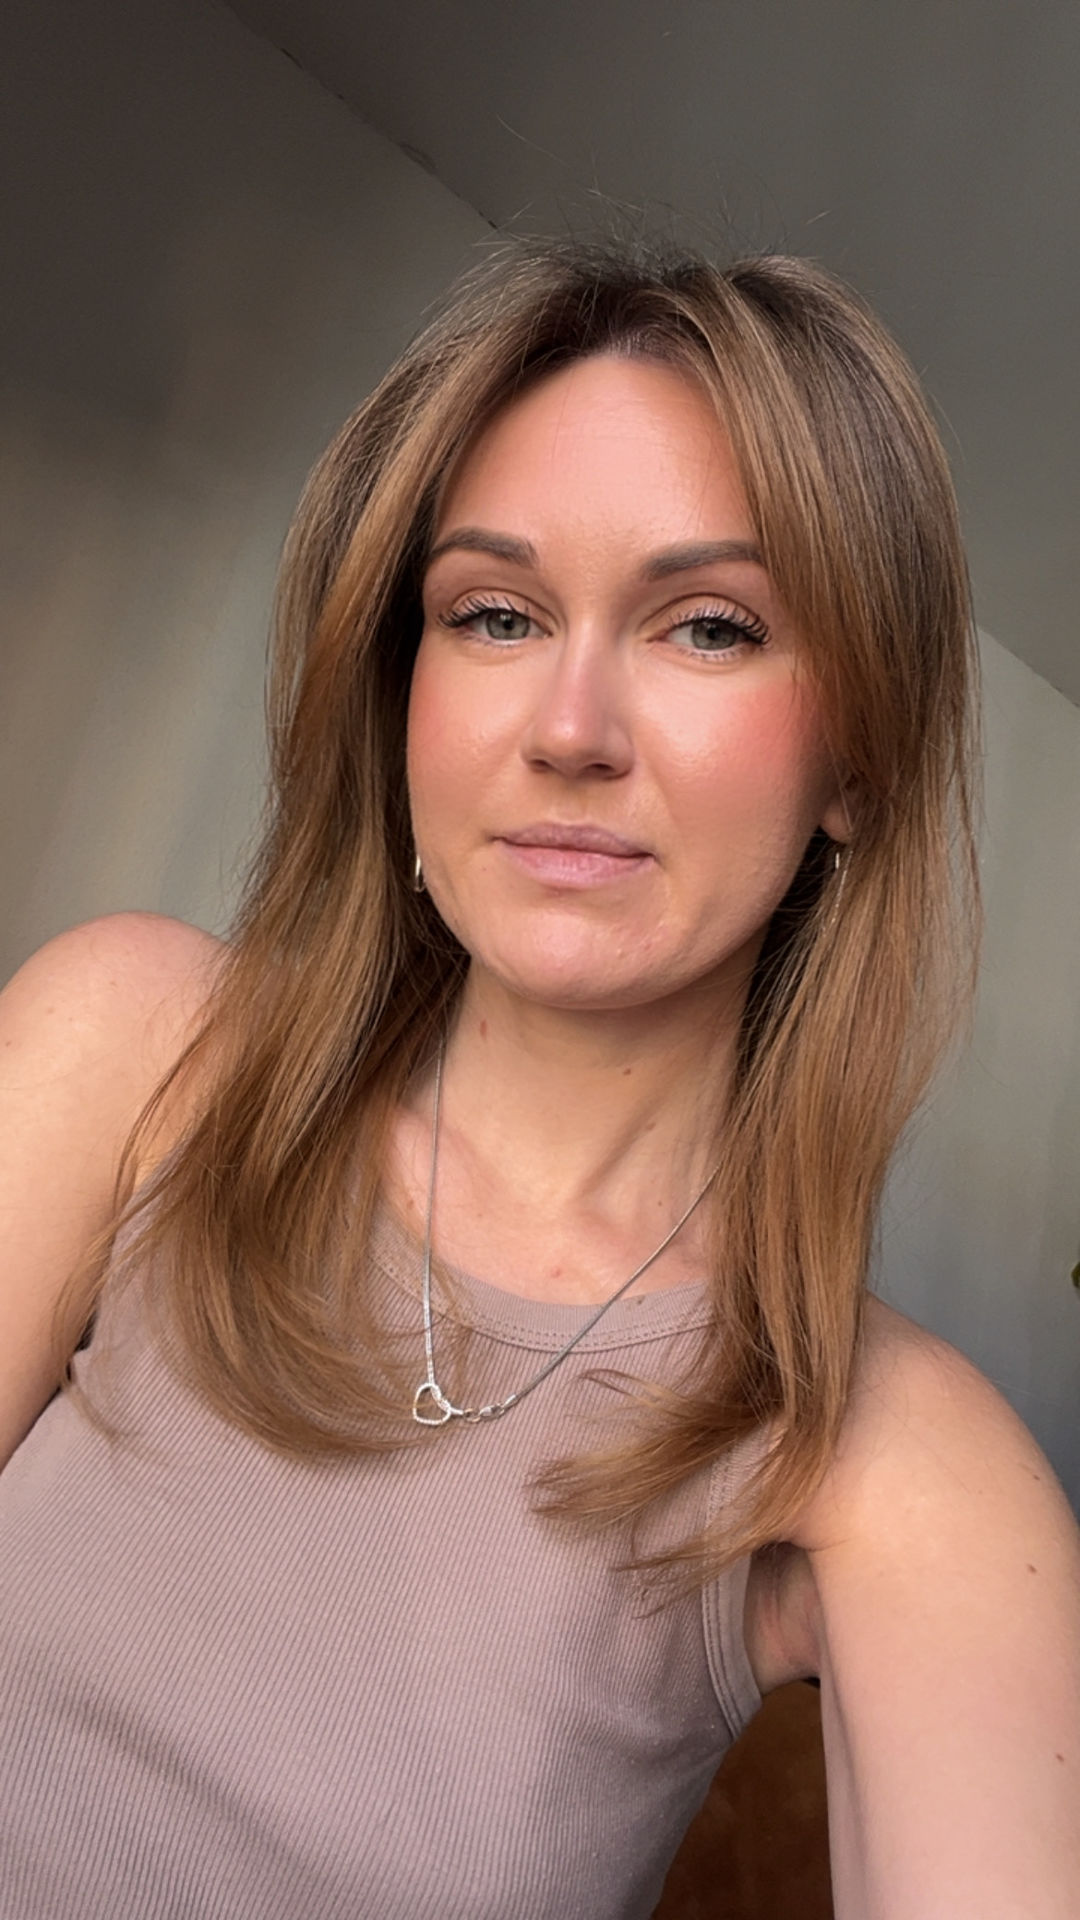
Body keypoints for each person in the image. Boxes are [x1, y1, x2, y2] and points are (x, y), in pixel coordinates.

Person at [0, 240, 1077, 1919]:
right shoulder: (139, 1049)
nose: (570, 727)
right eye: (494, 614)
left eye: (709, 627)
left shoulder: (880, 1449)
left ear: (857, 759)